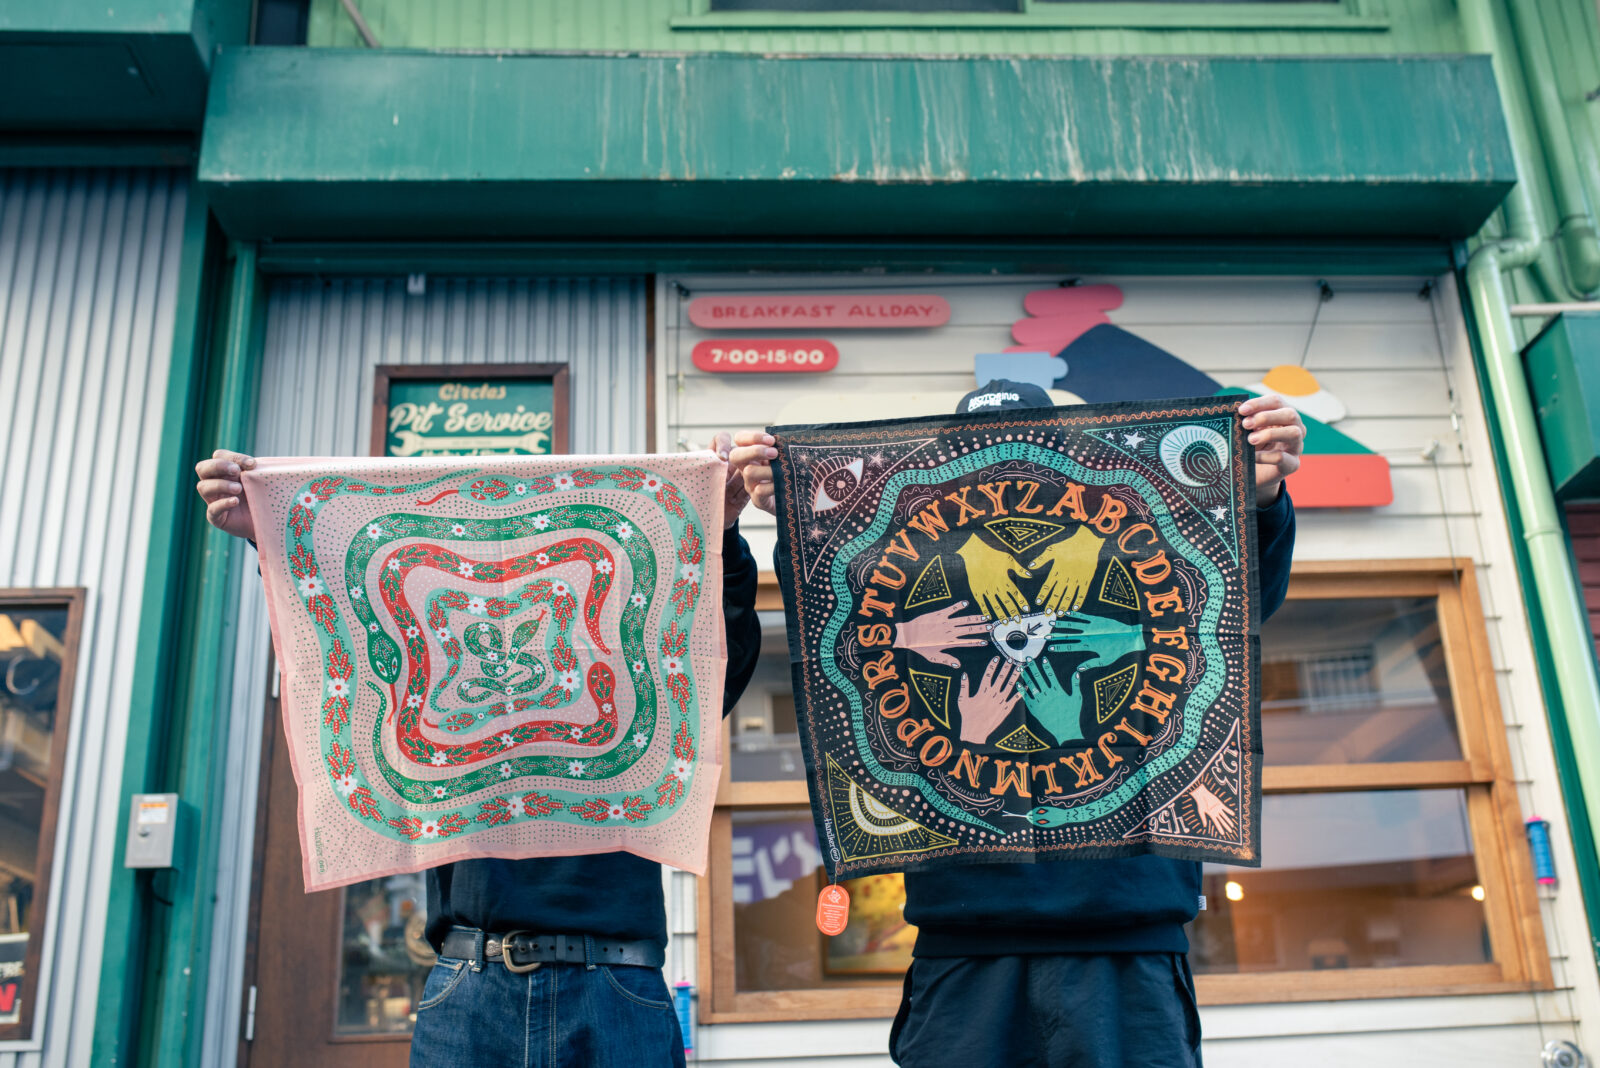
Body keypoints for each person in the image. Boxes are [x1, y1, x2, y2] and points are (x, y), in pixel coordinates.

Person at [732, 382, 1302, 1068]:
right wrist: (791, 503)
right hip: (966, 947)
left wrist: (1260, 497)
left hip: (1123, 947)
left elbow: (1229, 606)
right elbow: (839, 626)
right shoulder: (905, 569)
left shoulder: (1132, 539)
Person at [195, 433, 766, 1068]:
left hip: (613, 985)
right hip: (474, 980)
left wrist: (720, 534)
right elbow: (349, 638)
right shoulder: (421, 681)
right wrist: (267, 529)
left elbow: (717, 658)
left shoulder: (639, 689)